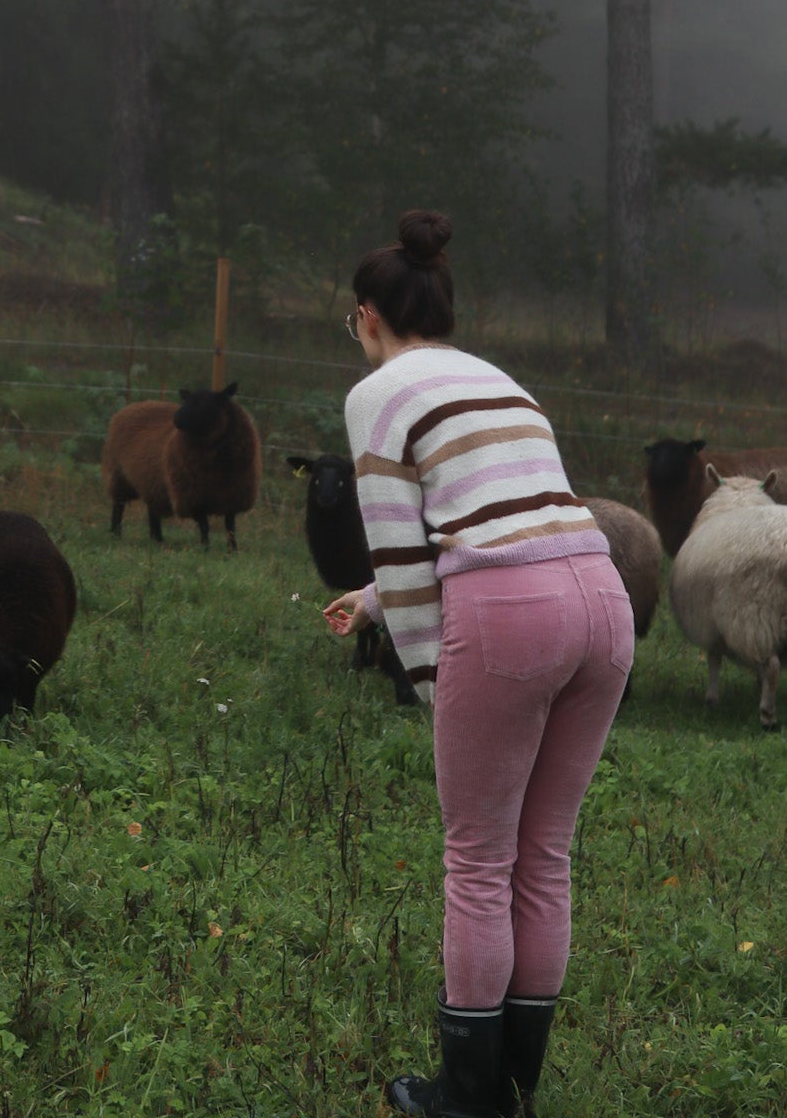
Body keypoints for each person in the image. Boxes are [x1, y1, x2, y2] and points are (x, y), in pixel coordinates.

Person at [324, 209, 633, 1118]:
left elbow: (403, 548)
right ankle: (513, 1088)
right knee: (542, 856)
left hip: (506, 624)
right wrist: (372, 597)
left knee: (475, 858)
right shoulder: (501, 381)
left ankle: (465, 1100)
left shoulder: (377, 394)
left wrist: (430, 680)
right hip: (601, 601)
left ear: (367, 316)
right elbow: (509, 519)